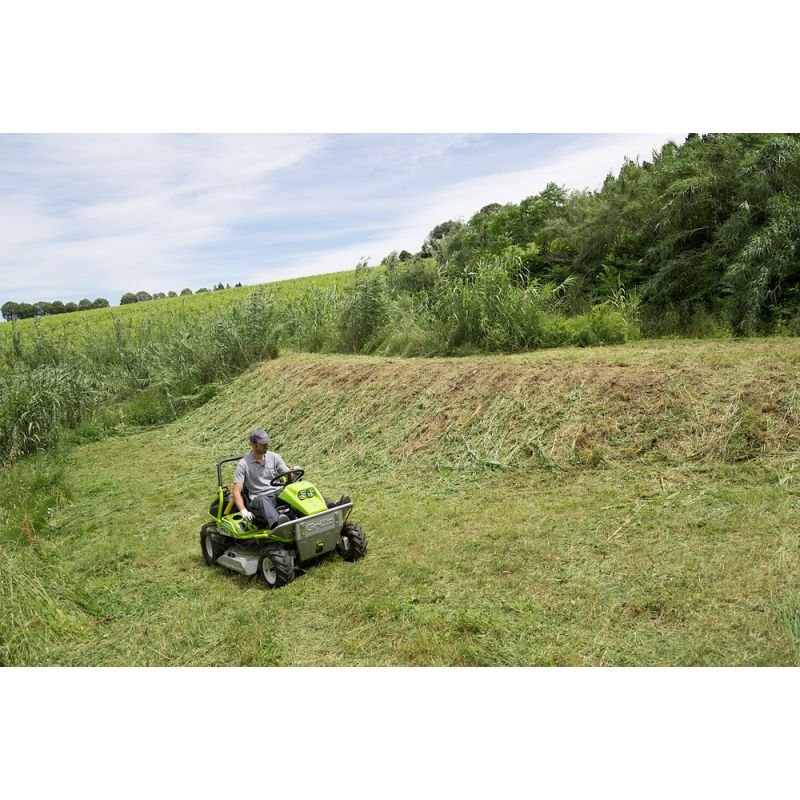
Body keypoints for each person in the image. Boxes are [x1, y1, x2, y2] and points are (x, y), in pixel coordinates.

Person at [233, 429, 291, 530]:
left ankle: (318, 512)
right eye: (263, 444)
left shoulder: (274, 457)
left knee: (295, 490)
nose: (266, 446)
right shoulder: (243, 464)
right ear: (254, 444)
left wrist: (294, 473)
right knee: (263, 500)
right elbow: (236, 491)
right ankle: (278, 526)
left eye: (267, 443)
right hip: (260, 496)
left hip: (278, 492)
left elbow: (287, 474)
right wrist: (243, 511)